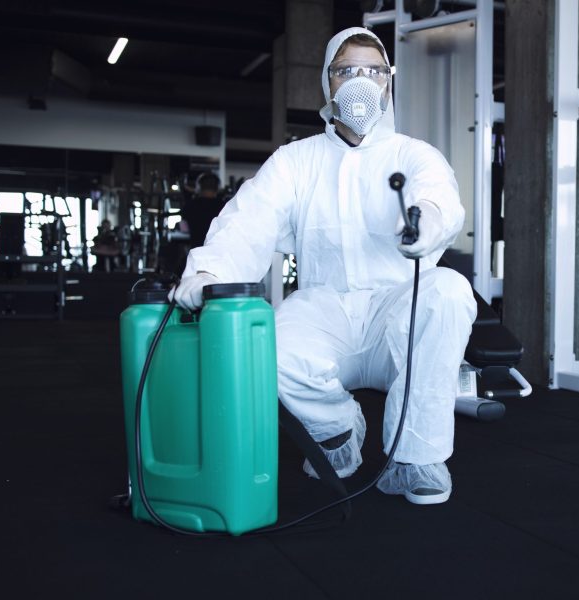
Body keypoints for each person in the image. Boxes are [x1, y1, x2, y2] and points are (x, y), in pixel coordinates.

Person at [171, 27, 476, 505]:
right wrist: (209, 273)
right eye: (346, 70)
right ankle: (335, 430)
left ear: (388, 82)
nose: (360, 81)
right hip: (324, 309)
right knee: (266, 346)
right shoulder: (297, 161)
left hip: (396, 311)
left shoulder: (412, 154)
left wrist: (426, 225)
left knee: (449, 289)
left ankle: (416, 456)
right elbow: (249, 220)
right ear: (327, 83)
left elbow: (438, 198)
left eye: (372, 71)